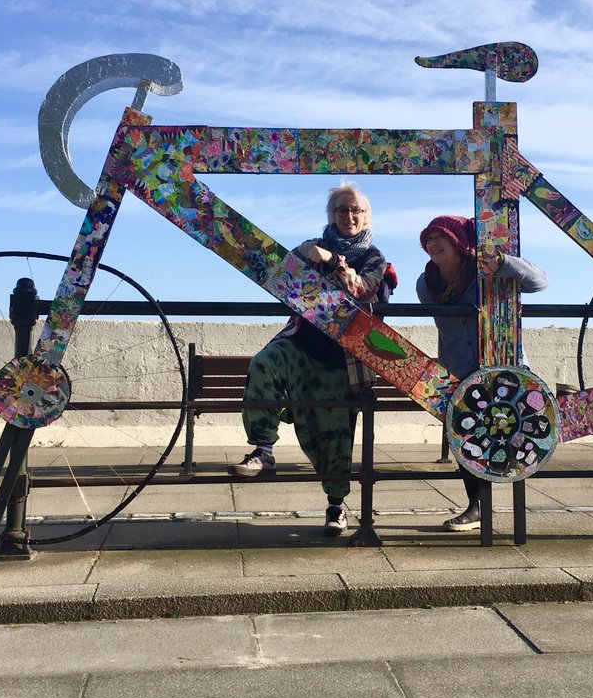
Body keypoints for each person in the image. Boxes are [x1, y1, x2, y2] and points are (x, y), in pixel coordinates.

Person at [228, 182, 393, 536]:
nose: (348, 216)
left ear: (366, 217)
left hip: (342, 358)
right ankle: (263, 448)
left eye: (355, 210)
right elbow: (278, 279)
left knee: (333, 433)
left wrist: (333, 261)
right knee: (264, 363)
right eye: (341, 210)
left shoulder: (374, 257)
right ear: (331, 215)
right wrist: (299, 254)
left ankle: (336, 507)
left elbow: (362, 290)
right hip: (302, 343)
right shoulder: (311, 248)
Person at [416, 214, 548, 531]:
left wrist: (503, 264)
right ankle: (475, 508)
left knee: (515, 437)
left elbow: (539, 282)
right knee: (465, 439)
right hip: (459, 371)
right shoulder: (425, 284)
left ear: (459, 242)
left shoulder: (486, 272)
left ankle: (515, 513)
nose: (433, 243)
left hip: (505, 368)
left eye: (441, 237)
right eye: (429, 239)